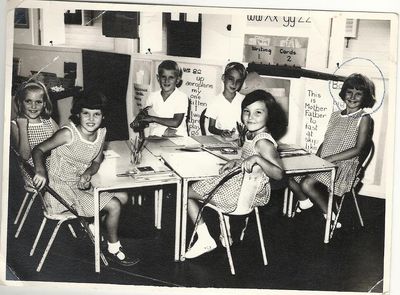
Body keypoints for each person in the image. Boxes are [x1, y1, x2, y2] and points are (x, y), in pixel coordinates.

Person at [32, 90, 139, 267]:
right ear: (77, 114)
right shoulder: (68, 134)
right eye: (86, 113)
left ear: (103, 116)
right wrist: (41, 170)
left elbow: (96, 162)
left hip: (80, 184)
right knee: (114, 205)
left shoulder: (101, 134)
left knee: (123, 196)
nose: (91, 119)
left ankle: (94, 226)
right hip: (60, 190)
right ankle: (114, 248)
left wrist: (88, 173)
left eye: (96, 114)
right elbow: (38, 150)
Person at [185, 90, 286, 259]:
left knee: (185, 193)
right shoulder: (252, 136)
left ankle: (204, 239)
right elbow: (250, 159)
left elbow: (279, 174)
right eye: (246, 111)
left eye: (258, 112)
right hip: (240, 189)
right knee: (206, 182)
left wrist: (257, 159)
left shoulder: (263, 142)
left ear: (270, 116)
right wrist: (237, 162)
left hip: (236, 195)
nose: (250, 117)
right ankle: (225, 232)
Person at [288, 73, 376, 227]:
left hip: (344, 165)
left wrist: (330, 159)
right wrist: (315, 157)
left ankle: (330, 216)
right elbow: (326, 140)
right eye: (350, 92)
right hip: (325, 161)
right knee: (288, 176)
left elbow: (358, 149)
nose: (353, 97)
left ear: (365, 97)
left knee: (307, 184)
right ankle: (305, 202)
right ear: (344, 93)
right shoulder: (335, 115)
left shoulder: (364, 118)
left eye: (359, 94)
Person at [10, 80, 58, 185]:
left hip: (54, 168)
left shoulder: (49, 121)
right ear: (20, 102)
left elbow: (62, 145)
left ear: (44, 104)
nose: (33, 106)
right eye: (28, 101)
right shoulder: (15, 125)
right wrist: (23, 127)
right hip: (34, 173)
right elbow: (25, 156)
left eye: (38, 102)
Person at [134, 60, 188, 137]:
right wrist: (139, 120)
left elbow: (175, 123)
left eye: (171, 77)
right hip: (155, 136)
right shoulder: (152, 96)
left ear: (178, 80)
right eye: (163, 77)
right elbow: (144, 117)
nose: (166, 81)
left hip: (177, 137)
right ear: (158, 78)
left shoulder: (182, 97)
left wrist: (153, 119)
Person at [205, 62, 246, 138]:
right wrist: (221, 132)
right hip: (221, 140)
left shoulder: (244, 100)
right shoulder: (215, 101)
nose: (234, 84)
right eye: (231, 79)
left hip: (240, 141)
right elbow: (211, 127)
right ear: (223, 78)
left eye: (238, 81)